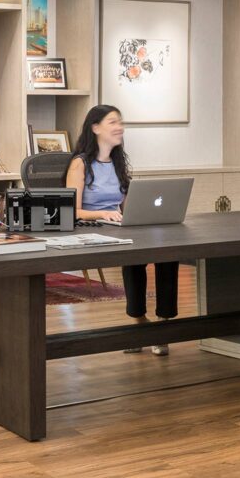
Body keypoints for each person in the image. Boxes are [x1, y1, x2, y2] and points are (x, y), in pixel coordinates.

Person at [66, 105, 179, 356]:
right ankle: (139, 321)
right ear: (95, 128)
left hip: (118, 225)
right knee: (134, 255)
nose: (120, 127)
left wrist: (143, 214)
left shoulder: (118, 162)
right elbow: (72, 211)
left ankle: (163, 323)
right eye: (113, 122)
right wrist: (102, 213)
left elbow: (128, 207)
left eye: (120, 122)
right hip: (92, 227)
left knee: (169, 251)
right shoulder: (80, 164)